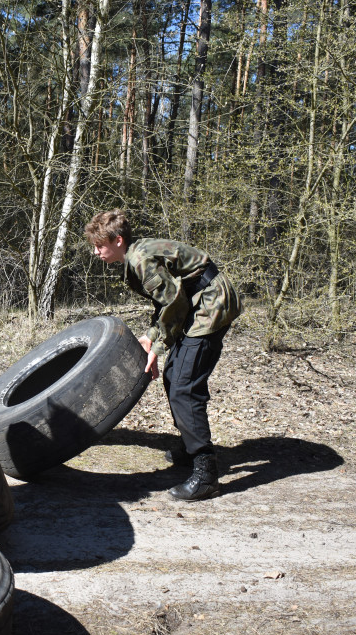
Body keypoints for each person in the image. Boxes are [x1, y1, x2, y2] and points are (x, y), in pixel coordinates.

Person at [84, 209, 241, 502]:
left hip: (211, 303)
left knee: (184, 386)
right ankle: (189, 444)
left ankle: (206, 473)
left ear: (118, 240)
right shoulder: (136, 254)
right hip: (198, 301)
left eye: (99, 245)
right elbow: (168, 301)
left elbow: (175, 304)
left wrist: (157, 348)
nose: (96, 252)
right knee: (175, 376)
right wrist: (153, 335)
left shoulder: (140, 259)